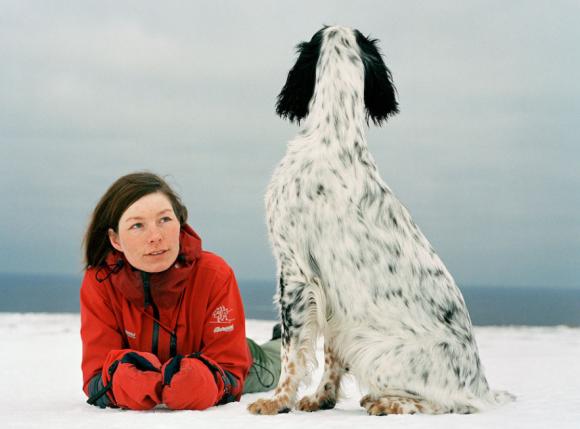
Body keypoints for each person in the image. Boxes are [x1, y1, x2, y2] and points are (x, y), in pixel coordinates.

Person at [80, 172, 281, 410]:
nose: (155, 236)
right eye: (137, 225)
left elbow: (231, 368)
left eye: (164, 220)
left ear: (180, 222)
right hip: (159, 369)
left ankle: (282, 339)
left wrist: (202, 382)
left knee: (278, 361)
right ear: (115, 239)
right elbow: (95, 376)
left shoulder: (215, 274)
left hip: (236, 356)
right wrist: (125, 382)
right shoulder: (100, 283)